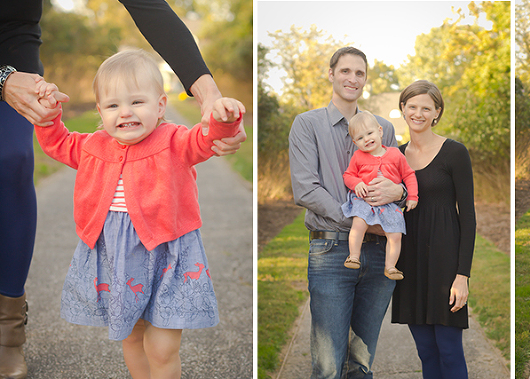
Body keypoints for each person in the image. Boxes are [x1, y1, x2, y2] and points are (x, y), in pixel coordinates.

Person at [0, 3, 245, 377]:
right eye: (113, 105)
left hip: (167, 255)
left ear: (161, 107)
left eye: (137, 102)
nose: (125, 113)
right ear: (99, 111)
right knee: (130, 336)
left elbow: (204, 138)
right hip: (119, 259)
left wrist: (223, 117)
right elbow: (59, 144)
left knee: (162, 346)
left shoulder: (173, 141)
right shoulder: (95, 146)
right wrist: (49, 119)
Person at [289, 46, 406, 378]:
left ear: (366, 80)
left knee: (361, 363)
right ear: (331, 74)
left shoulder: (383, 127)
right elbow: (306, 189)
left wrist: (400, 193)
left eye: (359, 73)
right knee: (327, 366)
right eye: (345, 71)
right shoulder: (306, 124)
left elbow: (399, 180)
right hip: (331, 250)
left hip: (381, 254)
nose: (352, 78)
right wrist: (364, 223)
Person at [390, 80, 476, 379]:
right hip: (410, 263)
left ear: (437, 112)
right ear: (403, 109)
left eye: (426, 107)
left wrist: (462, 275)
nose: (418, 113)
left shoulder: (454, 152)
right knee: (426, 351)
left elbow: (468, 217)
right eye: (412, 106)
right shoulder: (395, 157)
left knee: (450, 351)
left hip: (445, 262)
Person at [341, 110, 418, 281]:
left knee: (395, 233)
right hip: (364, 199)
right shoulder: (358, 156)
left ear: (380, 131)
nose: (366, 139)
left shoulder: (395, 154)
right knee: (358, 224)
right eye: (360, 138)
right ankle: (354, 256)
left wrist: (412, 196)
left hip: (388, 204)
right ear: (355, 142)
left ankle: (390, 267)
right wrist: (357, 183)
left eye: (369, 133)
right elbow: (348, 175)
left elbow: (409, 175)